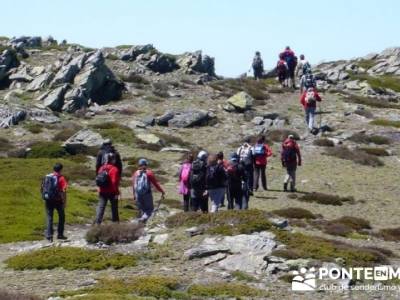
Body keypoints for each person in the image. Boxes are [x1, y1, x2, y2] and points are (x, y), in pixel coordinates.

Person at [41, 163, 68, 242]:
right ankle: (60, 234)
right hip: (58, 200)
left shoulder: (47, 176)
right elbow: (64, 191)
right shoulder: (61, 178)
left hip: (48, 200)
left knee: (49, 217)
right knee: (61, 217)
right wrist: (64, 202)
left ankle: (49, 236)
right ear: (61, 169)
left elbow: (42, 188)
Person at [133, 158, 165, 222]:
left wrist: (134, 195)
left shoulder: (136, 173)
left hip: (138, 194)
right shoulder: (149, 173)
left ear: (139, 165)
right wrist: (162, 191)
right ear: (146, 165)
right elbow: (155, 184)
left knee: (142, 209)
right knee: (149, 210)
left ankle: (141, 225)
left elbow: (133, 185)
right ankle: (143, 220)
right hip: (147, 194)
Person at [95, 153, 121, 224]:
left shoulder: (101, 168)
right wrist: (117, 192)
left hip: (102, 191)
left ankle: (97, 223)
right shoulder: (114, 169)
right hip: (112, 192)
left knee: (101, 208)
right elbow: (114, 182)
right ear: (112, 160)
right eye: (114, 159)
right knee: (114, 209)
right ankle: (116, 225)